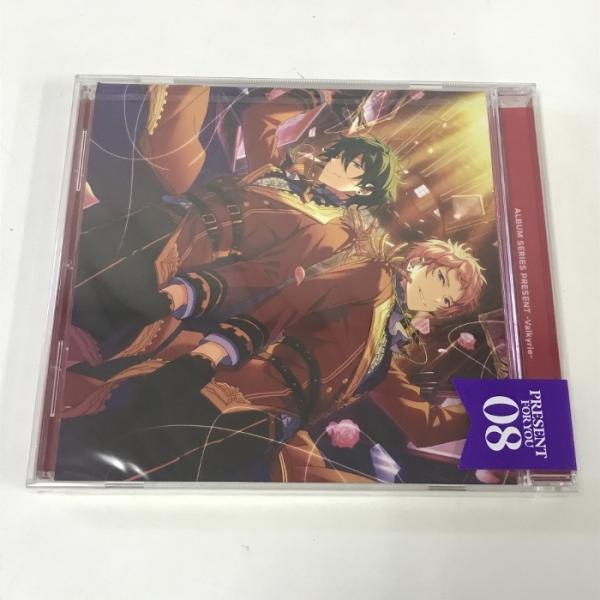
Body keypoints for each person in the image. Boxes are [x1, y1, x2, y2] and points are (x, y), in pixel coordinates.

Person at [56, 239, 486, 482]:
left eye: (448, 300)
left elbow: (422, 423)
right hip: (238, 392)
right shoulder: (375, 279)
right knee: (126, 453)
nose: (437, 296)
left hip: (271, 425)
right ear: (417, 262)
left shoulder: (385, 351)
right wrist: (214, 350)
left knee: (172, 482)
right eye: (440, 278)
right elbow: (296, 299)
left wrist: (501, 409)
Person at [73, 86, 399, 356]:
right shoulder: (279, 173)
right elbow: (258, 118)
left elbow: (268, 272)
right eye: (344, 154)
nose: (339, 161)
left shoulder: (330, 230)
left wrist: (193, 291)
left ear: (365, 189)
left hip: (182, 256)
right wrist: (314, 96)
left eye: (355, 164)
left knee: (90, 312)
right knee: (77, 259)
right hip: (166, 215)